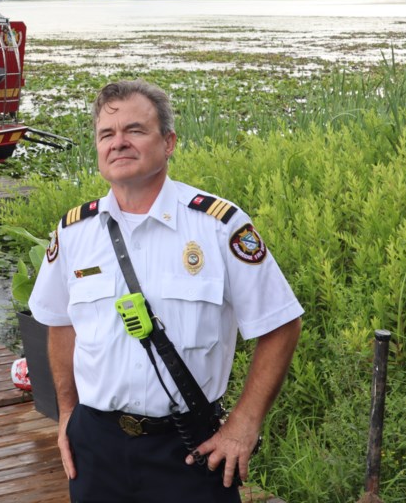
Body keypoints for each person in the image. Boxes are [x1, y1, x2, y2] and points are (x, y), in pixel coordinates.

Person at [29, 79, 303, 503]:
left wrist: (245, 424)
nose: (118, 143)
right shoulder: (73, 233)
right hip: (96, 446)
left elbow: (281, 324)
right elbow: (60, 323)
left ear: (169, 141)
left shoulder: (219, 226)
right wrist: (67, 412)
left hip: (190, 448)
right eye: (107, 134)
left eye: (135, 130)